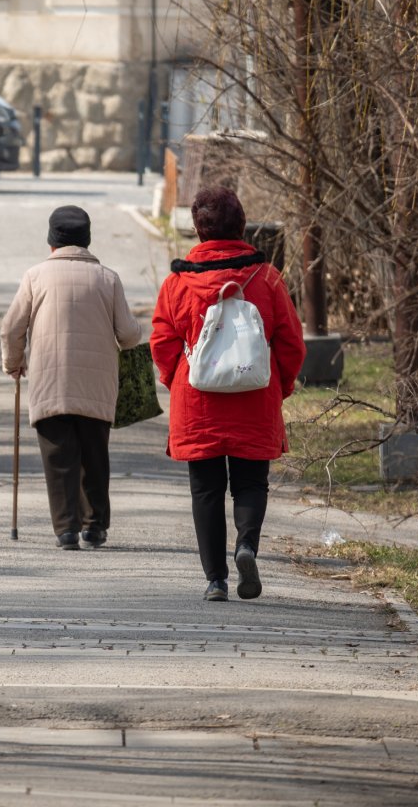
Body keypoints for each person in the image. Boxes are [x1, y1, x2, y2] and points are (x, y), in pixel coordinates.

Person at [149, 187, 306, 602]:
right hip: (255, 394)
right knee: (251, 482)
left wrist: (176, 379)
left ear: (199, 229)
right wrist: (280, 386)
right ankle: (246, 547)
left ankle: (215, 579)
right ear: (242, 225)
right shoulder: (267, 278)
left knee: (206, 489)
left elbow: (162, 343)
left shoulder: (178, 282)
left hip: (197, 400)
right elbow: (291, 343)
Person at [0, 206, 143, 550]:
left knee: (58, 456)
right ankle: (95, 526)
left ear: (51, 243)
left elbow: (10, 329)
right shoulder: (108, 278)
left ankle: (66, 529)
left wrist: (14, 363)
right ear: (88, 240)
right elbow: (128, 335)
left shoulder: (35, 276)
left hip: (50, 382)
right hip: (96, 386)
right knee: (95, 455)